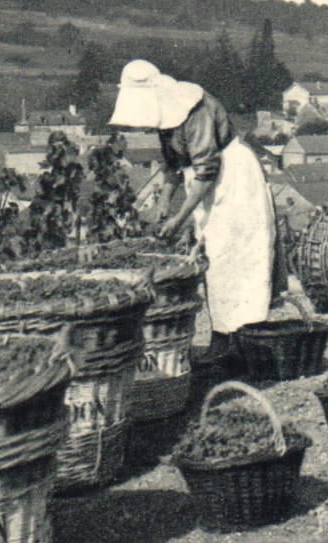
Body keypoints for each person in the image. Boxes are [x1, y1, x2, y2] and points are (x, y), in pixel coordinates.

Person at [108, 59, 277, 340]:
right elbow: (173, 167)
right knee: (215, 258)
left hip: (233, 179)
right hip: (205, 183)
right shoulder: (166, 118)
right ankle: (223, 335)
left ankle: (245, 336)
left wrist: (179, 218)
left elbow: (207, 169)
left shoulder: (192, 109)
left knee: (239, 256)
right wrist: (164, 204)